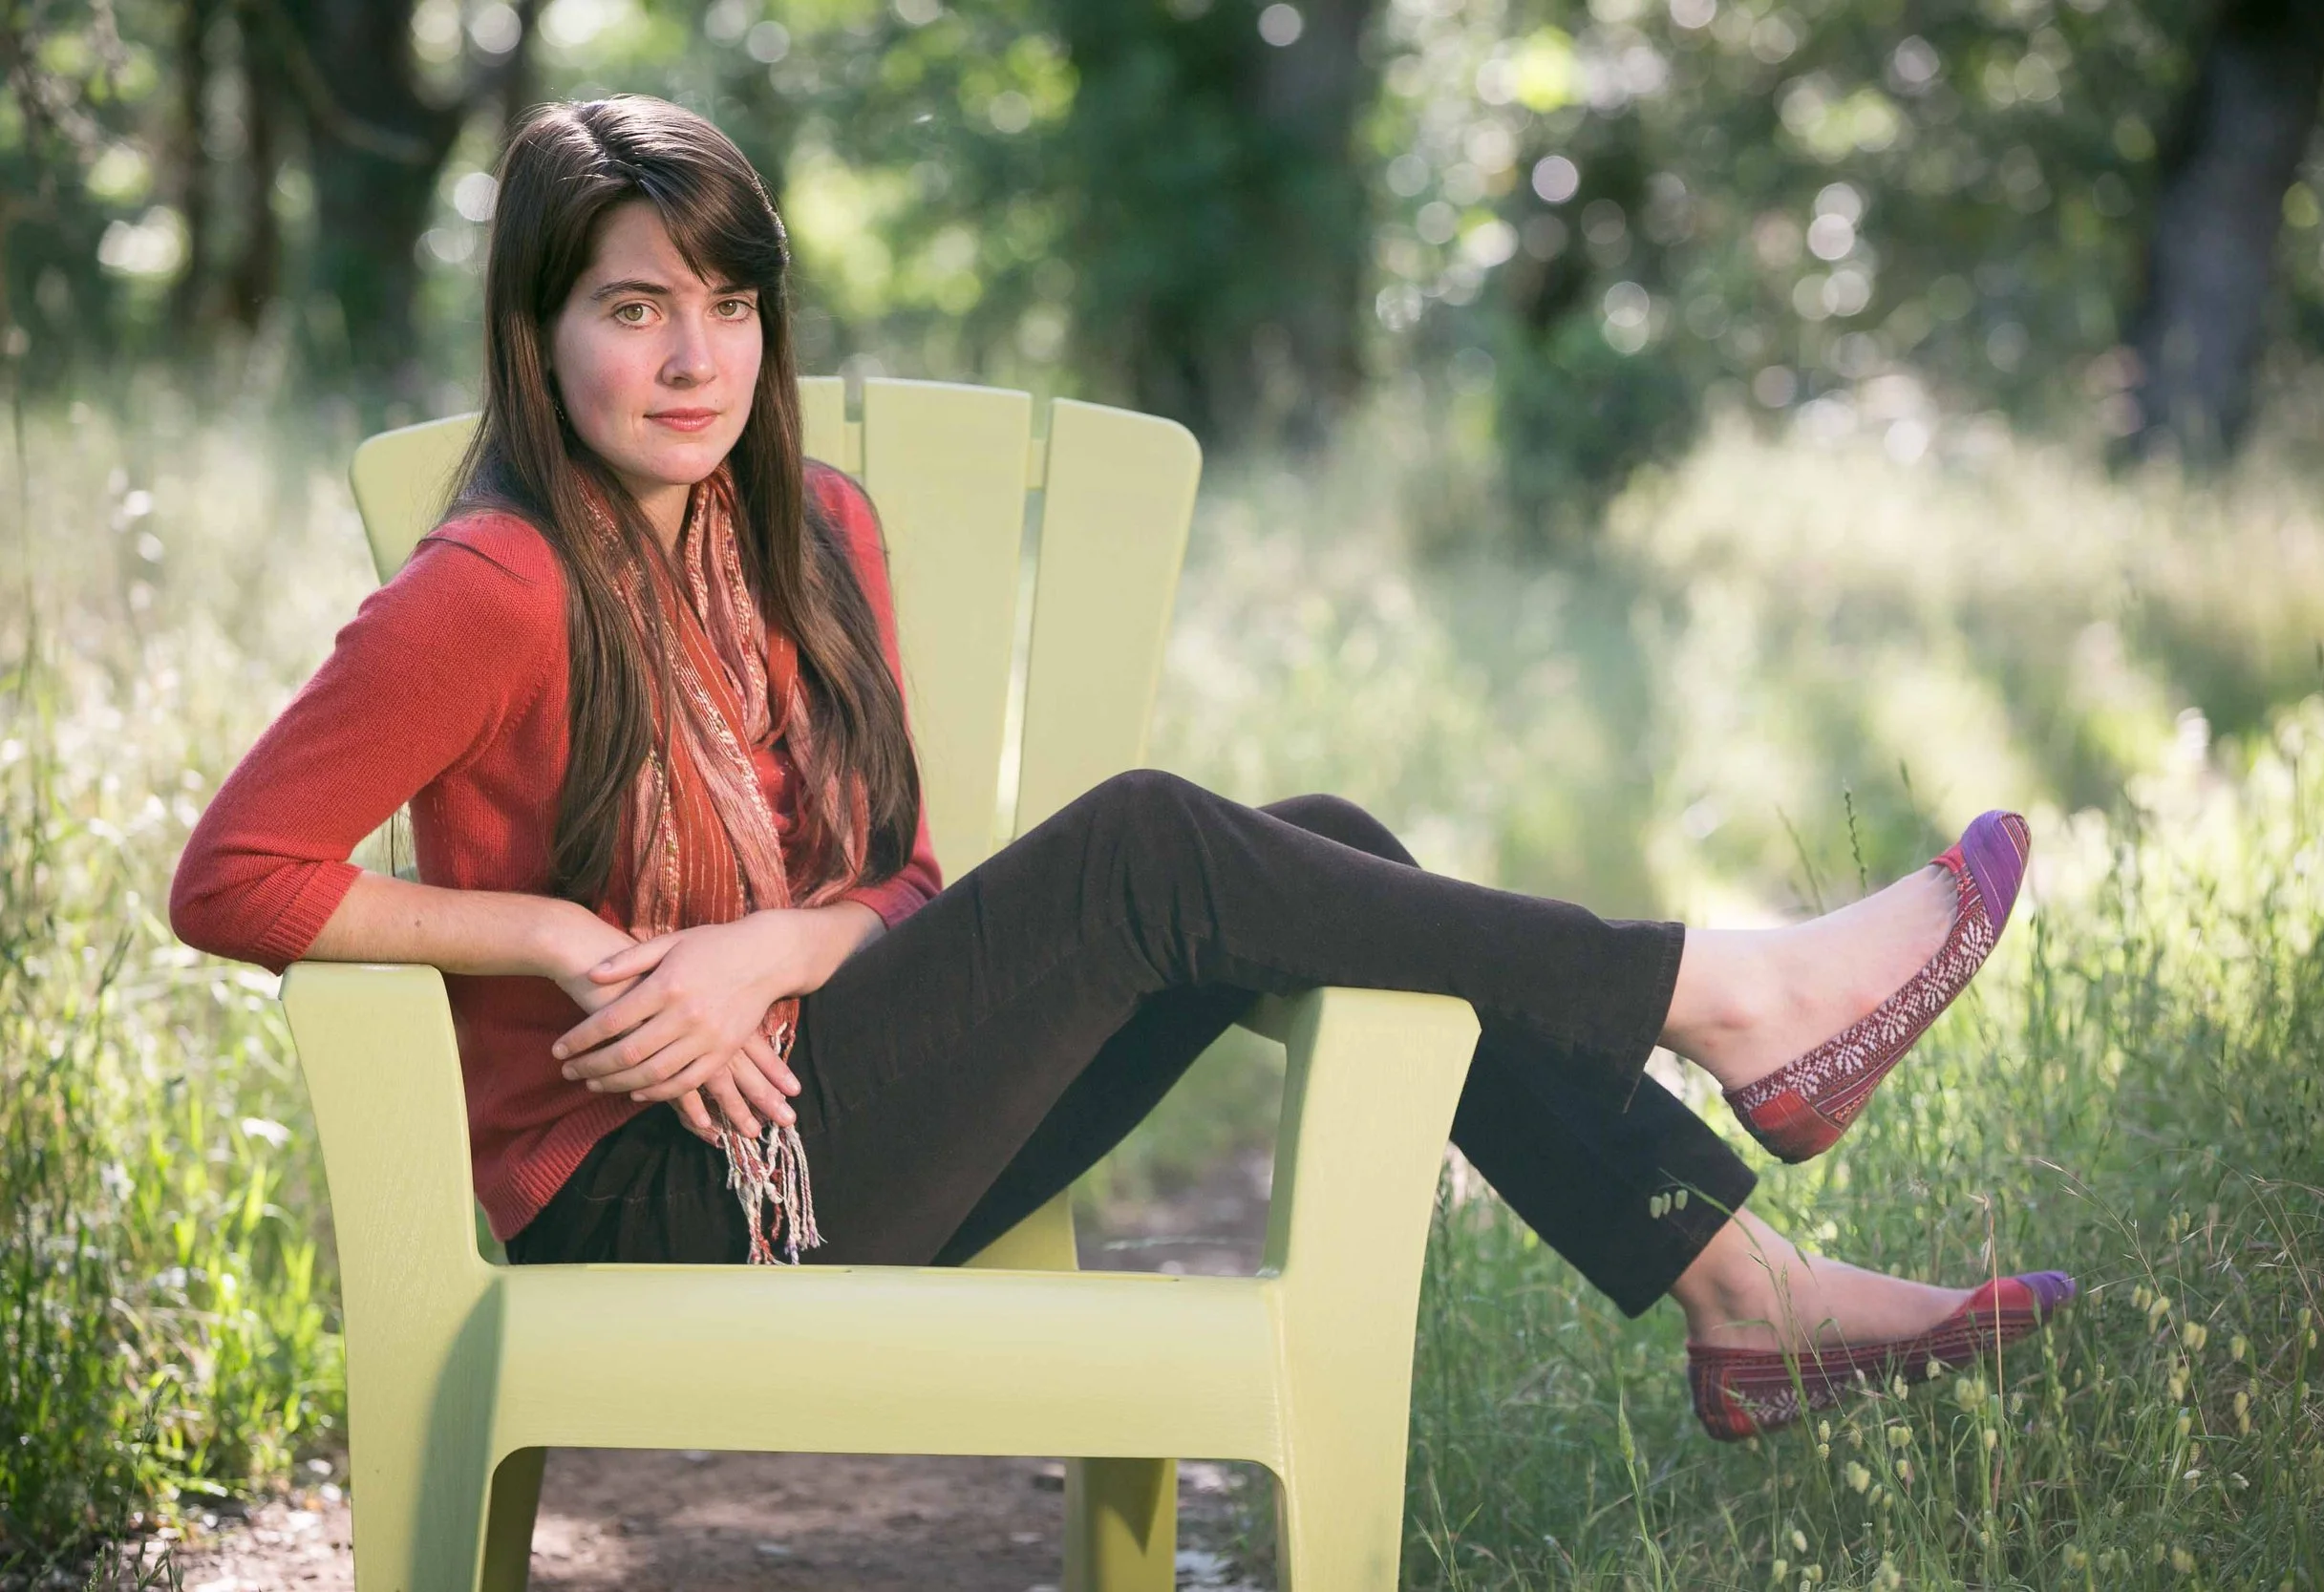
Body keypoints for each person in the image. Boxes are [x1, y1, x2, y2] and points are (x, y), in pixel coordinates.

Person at [168, 95, 2071, 1444]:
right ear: (537, 329)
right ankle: (1719, 995)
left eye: (727, 305)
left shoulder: (816, 530)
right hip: (659, 1191)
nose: (692, 359)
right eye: (632, 307)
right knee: (1154, 842)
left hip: (835, 1112)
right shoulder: (491, 589)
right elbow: (231, 875)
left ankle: (1742, 1299)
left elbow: (899, 886)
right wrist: (572, 938)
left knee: (1315, 851)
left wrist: (763, 950)